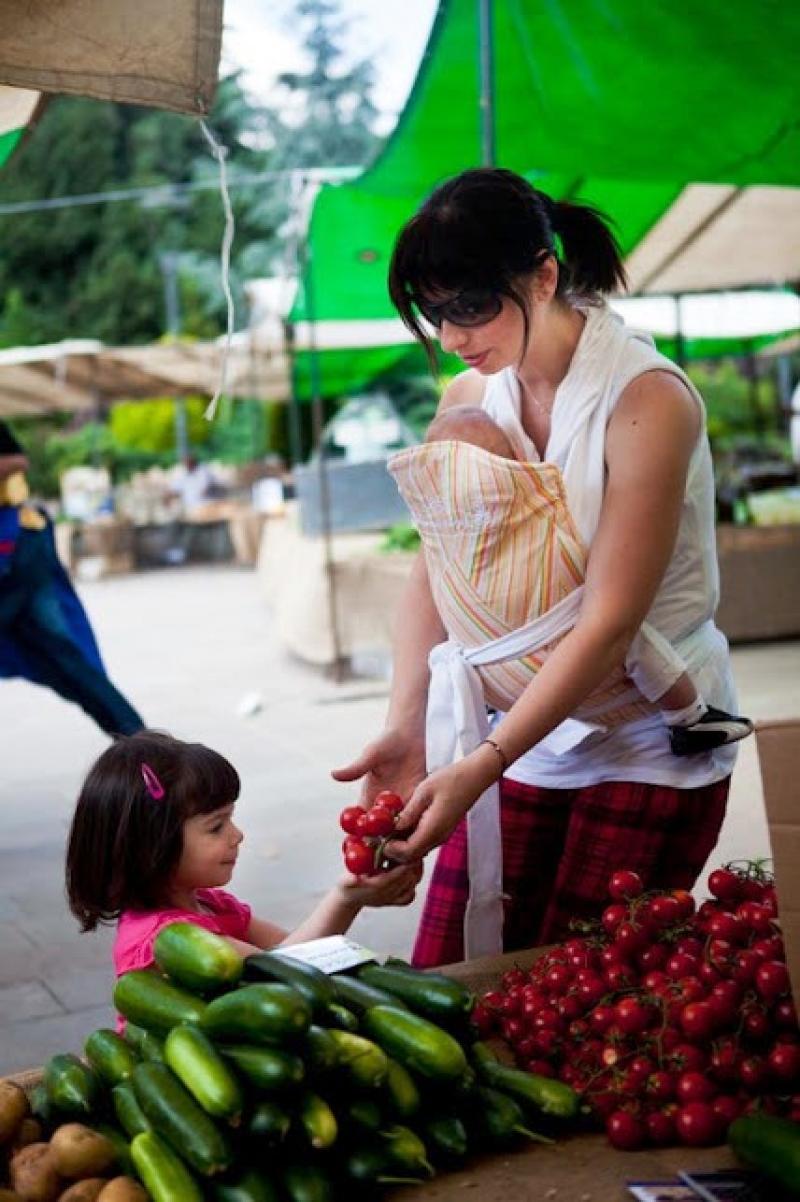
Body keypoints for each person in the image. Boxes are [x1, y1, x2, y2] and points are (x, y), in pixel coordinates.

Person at [333, 168, 743, 968]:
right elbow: (436, 566)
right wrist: (406, 723)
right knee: (449, 977)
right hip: (529, 734)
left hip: (648, 738)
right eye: (434, 313)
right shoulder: (472, 391)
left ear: (544, 275)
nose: (451, 337)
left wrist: (482, 763)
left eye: (471, 307)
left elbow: (612, 618)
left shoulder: (647, 399)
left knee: (582, 994)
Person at [424, 405, 753, 757]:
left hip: (499, 648)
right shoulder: (513, 495)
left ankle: (493, 700)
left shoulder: (448, 519)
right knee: (628, 634)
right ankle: (688, 715)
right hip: (536, 627)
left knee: (607, 628)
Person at [65, 730, 422, 981]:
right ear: (152, 846)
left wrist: (351, 896)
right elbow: (281, 974)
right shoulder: (163, 942)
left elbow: (298, 953)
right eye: (216, 826)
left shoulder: (210, 904)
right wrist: (344, 900)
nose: (237, 835)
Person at [0, 422, 144, 737]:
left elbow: (17, 460)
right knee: (56, 660)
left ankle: (140, 743)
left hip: (19, 549)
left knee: (62, 654)